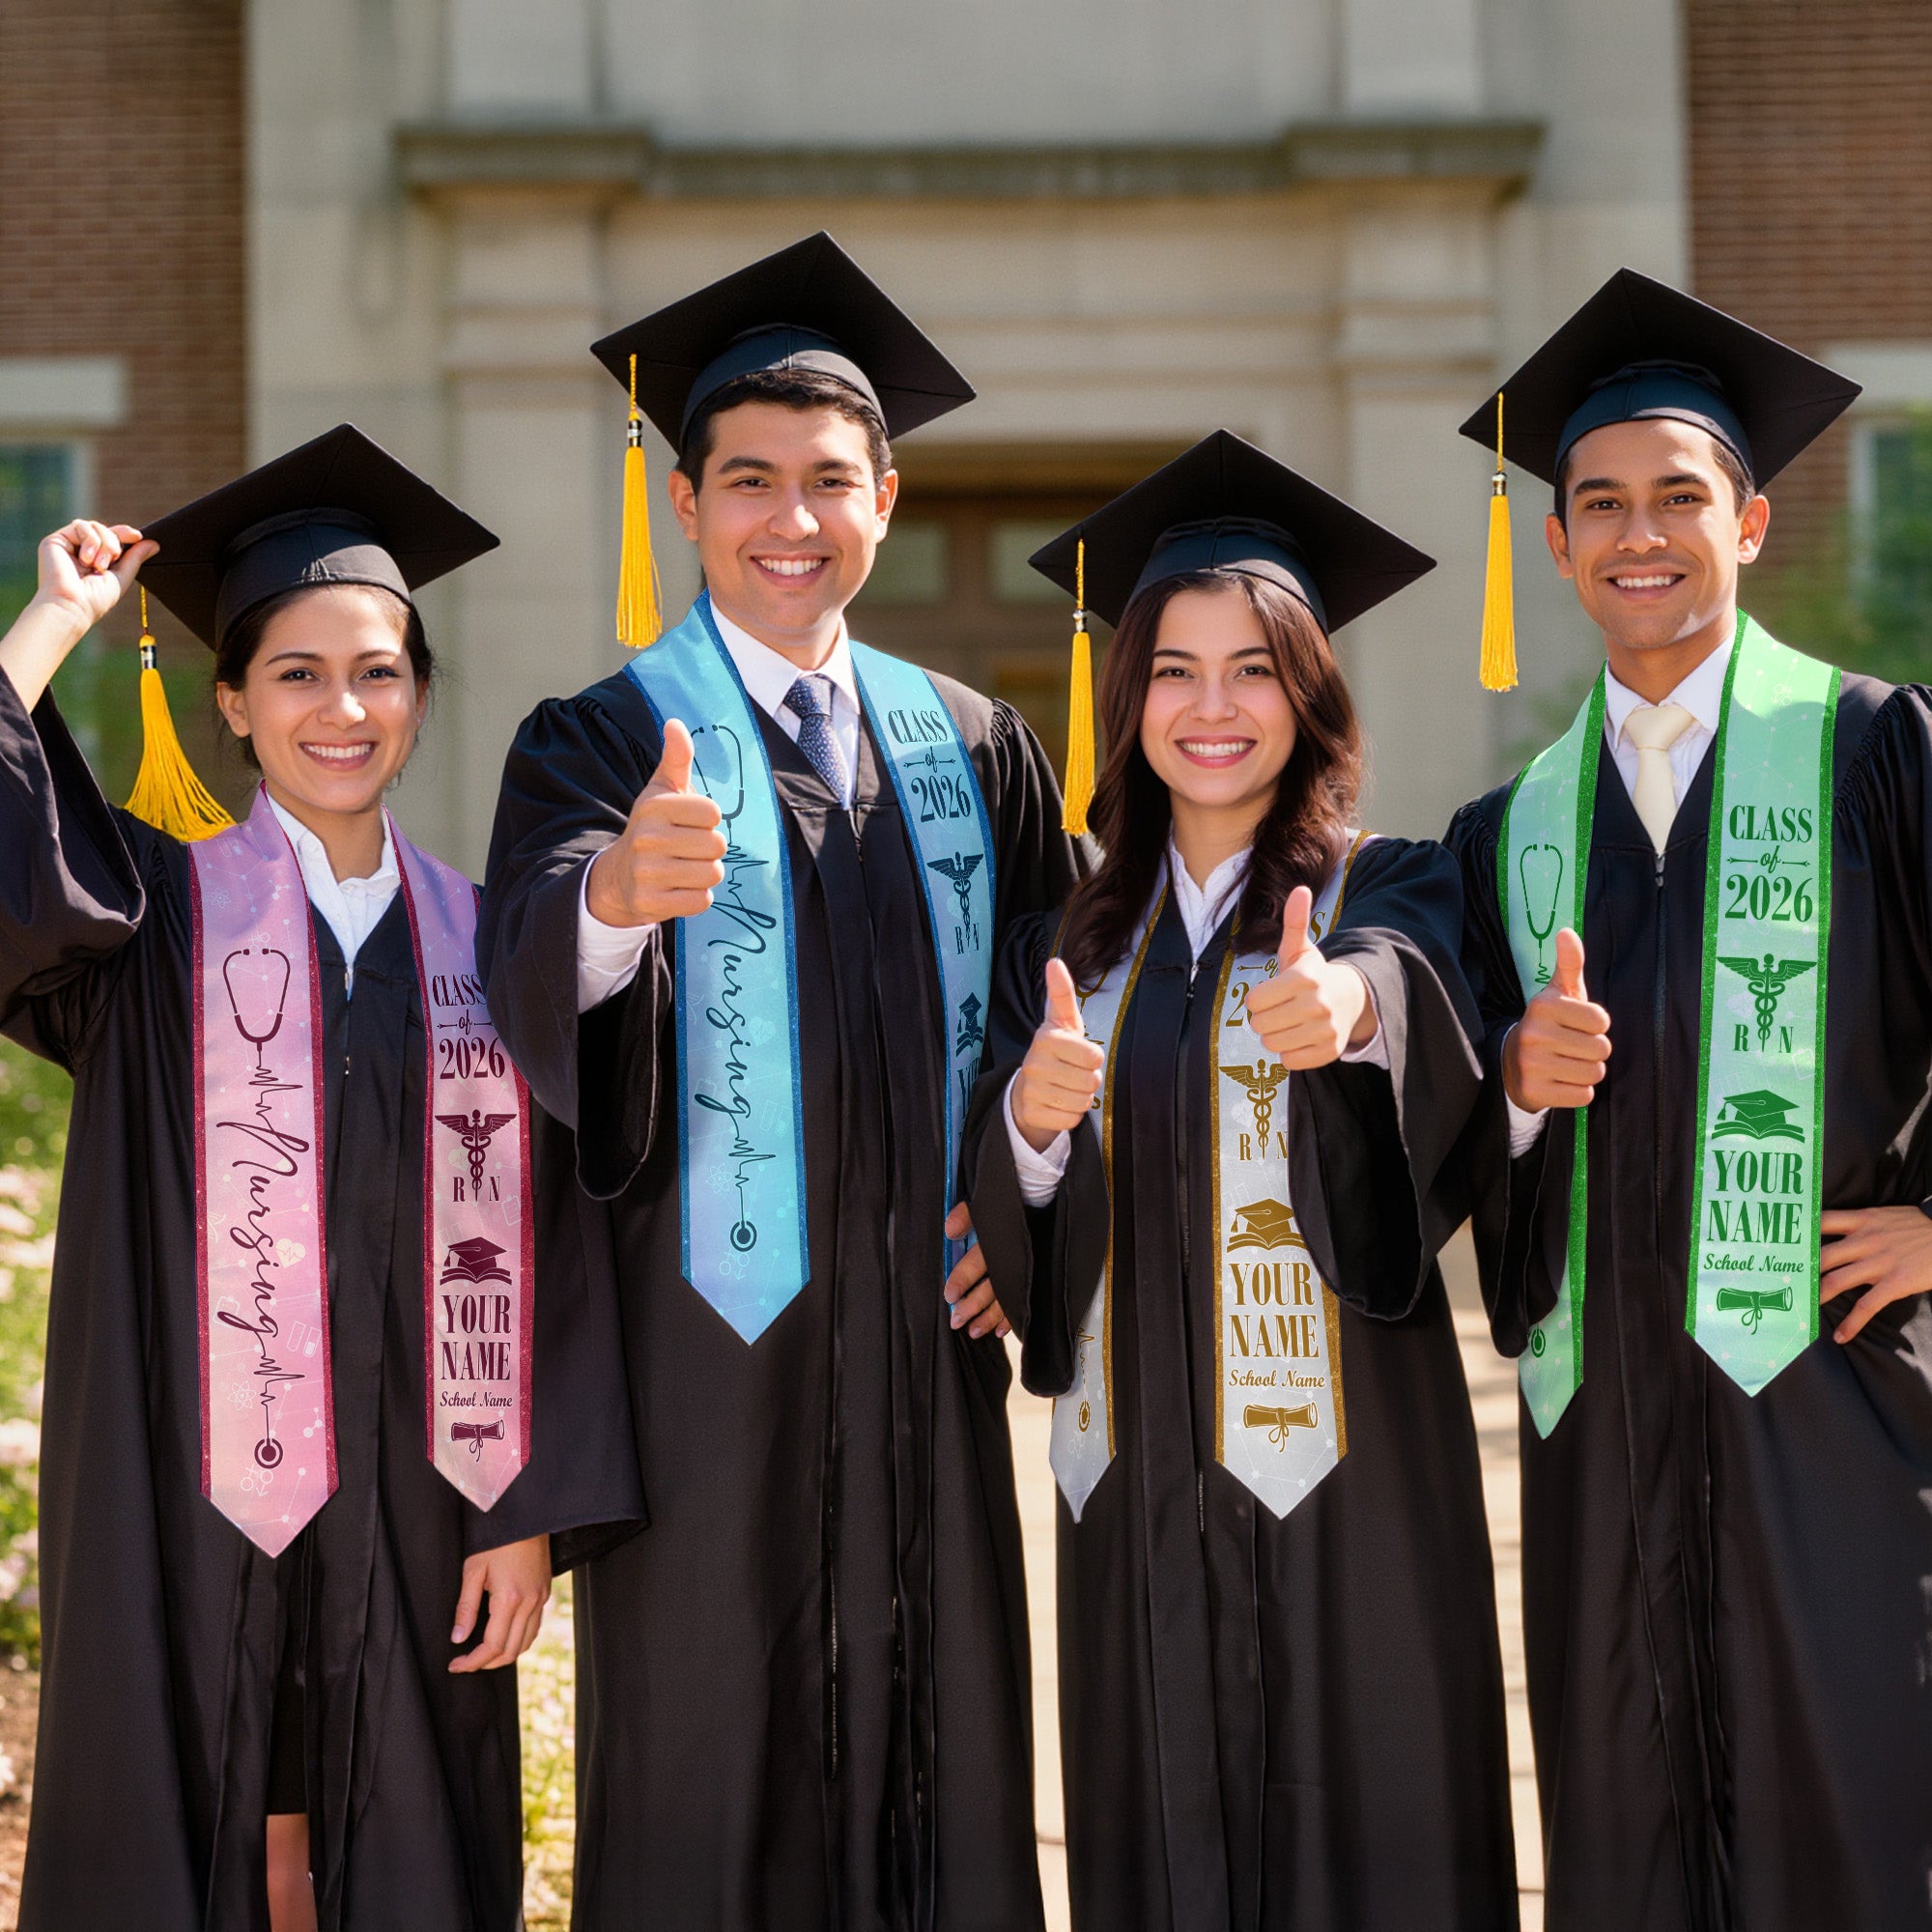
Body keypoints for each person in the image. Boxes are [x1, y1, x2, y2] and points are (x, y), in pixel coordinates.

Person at [479, 233, 1084, 1930]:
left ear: (886, 497)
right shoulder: (600, 739)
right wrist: (611, 900)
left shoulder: (972, 743)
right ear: (686, 504)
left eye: (831, 481)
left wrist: (1025, 1205)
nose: (791, 519)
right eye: (749, 481)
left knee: (942, 1752)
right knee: (709, 1768)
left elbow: (1069, 1006)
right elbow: (533, 965)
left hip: (925, 1351)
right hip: (707, 1369)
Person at [0, 425, 643, 1931]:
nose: (340, 708)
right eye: (295, 673)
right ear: (231, 701)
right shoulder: (151, 918)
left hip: (428, 1497)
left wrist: (525, 1507)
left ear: (420, 696)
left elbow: (559, 1238)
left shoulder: (492, 945)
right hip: (184, 1482)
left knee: (410, 1829)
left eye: (378, 671)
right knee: (187, 1799)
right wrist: (49, 625)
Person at [961, 431, 1517, 1931]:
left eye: (1256, 668)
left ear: (1311, 692)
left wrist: (1348, 1014)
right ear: (1127, 695)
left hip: (1354, 1496)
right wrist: (1025, 1122)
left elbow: (1413, 994)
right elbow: (1020, 1220)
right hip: (1132, 1482)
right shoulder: (1066, 946)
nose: (1214, 708)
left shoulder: (1387, 886)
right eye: (1175, 670)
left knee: (1372, 1839)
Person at [1446, 270, 1932, 1931]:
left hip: (1836, 1402)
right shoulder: (1509, 831)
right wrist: (1512, 1089)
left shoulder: (1878, 754)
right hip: (1605, 1432)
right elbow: (1450, 1139)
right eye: (1599, 504)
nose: (1637, 534)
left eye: (1678, 497)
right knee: (1625, 1831)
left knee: (1853, 1816)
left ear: (1753, 521)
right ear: (1562, 544)